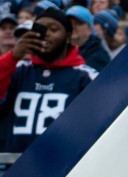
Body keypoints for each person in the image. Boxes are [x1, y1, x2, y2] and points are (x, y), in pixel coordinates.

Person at [0, 4, 95, 158]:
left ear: (68, 37)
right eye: (41, 28)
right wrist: (13, 56)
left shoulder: (85, 77)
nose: (47, 34)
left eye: (53, 29)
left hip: (60, 169)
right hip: (14, 168)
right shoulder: (19, 70)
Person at [65, 5, 109, 71]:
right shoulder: (60, 49)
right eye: (69, 23)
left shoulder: (98, 56)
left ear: (90, 28)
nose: (72, 26)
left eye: (78, 23)